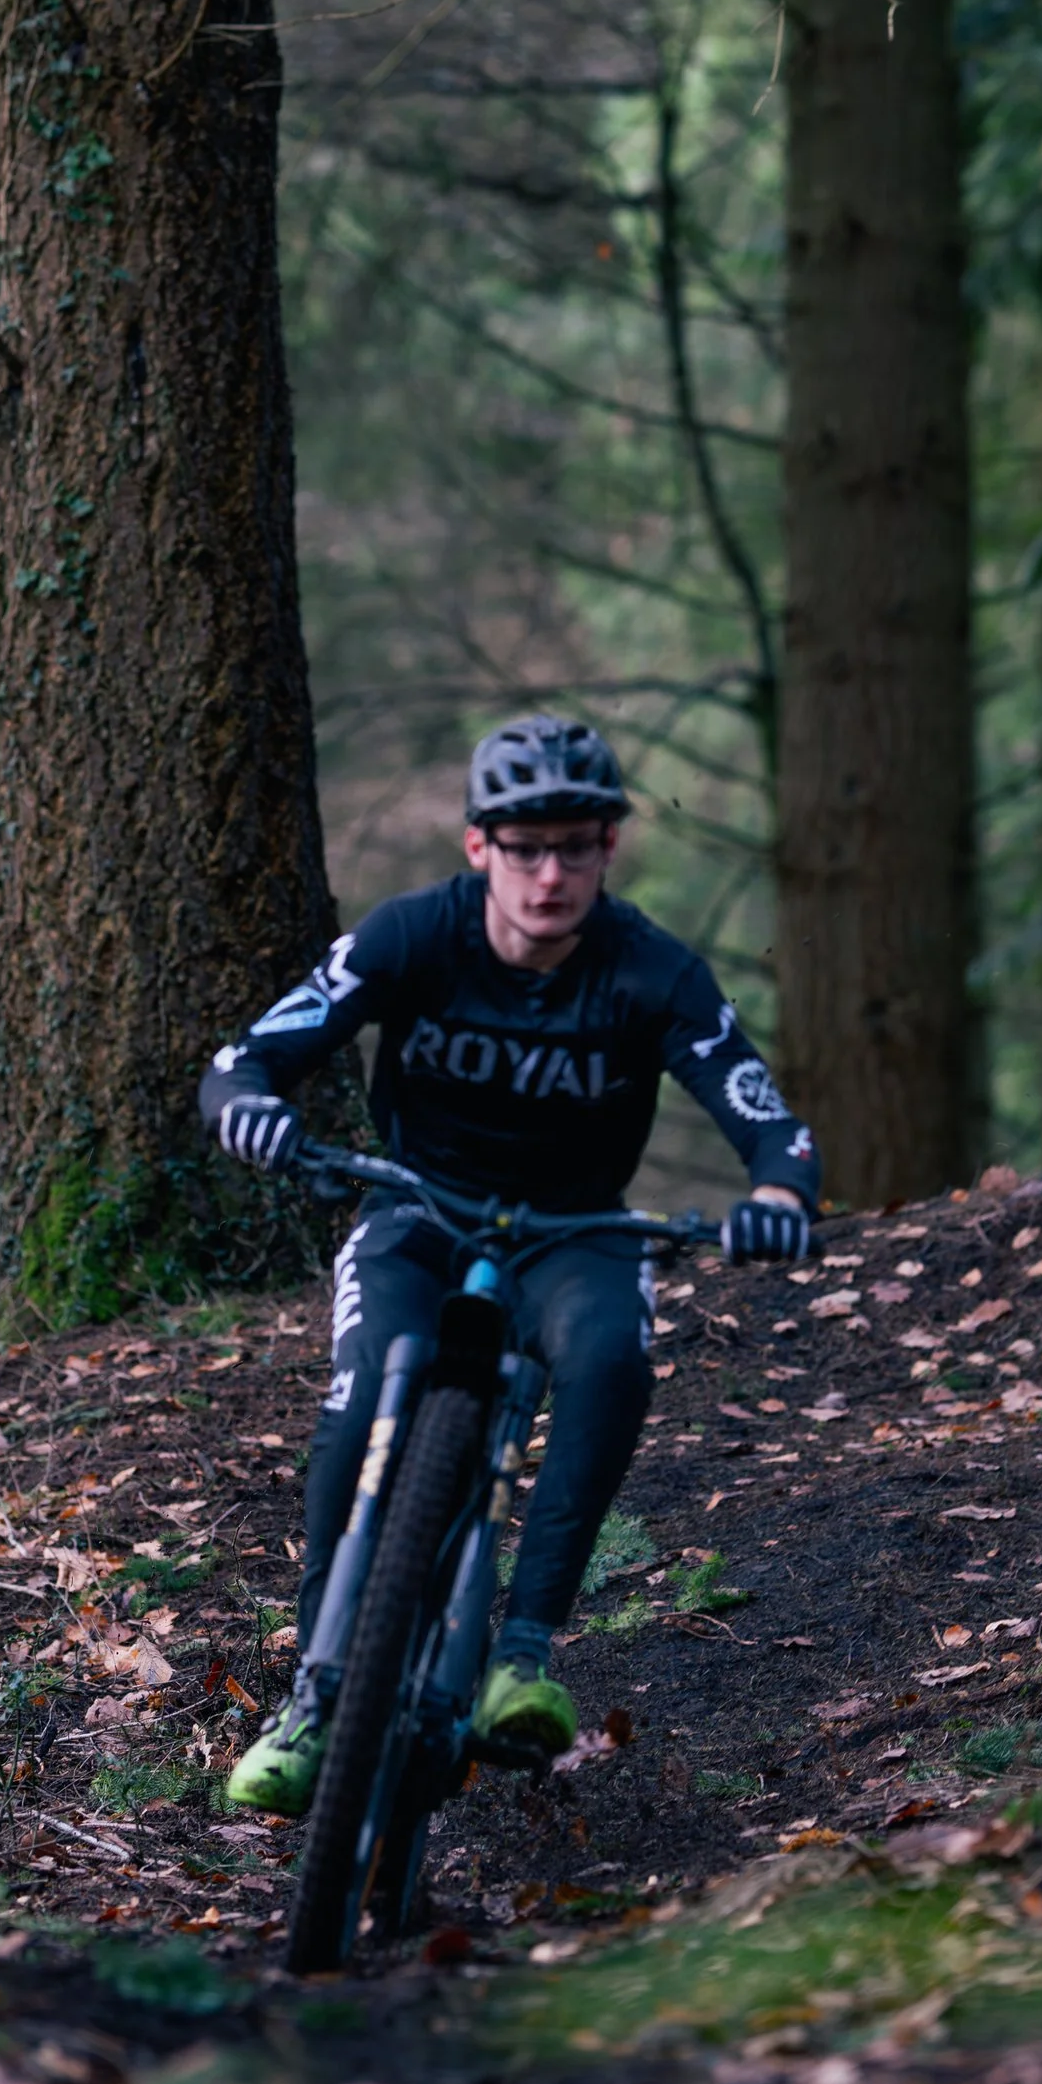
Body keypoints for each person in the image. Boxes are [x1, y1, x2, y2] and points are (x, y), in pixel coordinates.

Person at [200, 713, 821, 1816]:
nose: (549, 874)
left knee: (607, 1361)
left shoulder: (651, 970)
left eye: (574, 847)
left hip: (575, 1232)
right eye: (524, 848)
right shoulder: (411, 936)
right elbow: (250, 1057)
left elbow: (768, 1122)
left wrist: (776, 1196)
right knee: (359, 1404)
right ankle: (311, 1698)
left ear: (607, 850)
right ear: (478, 846)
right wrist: (250, 1108)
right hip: (417, 1214)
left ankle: (522, 1656)